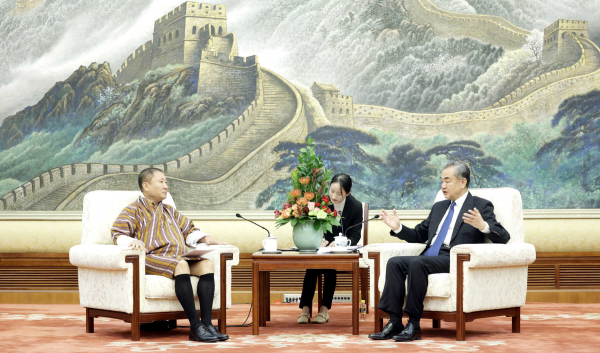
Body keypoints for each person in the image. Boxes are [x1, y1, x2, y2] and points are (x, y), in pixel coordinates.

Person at [368, 161, 510, 341]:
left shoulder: (480, 206)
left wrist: (483, 226)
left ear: (463, 182)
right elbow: (419, 234)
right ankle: (395, 322)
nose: (443, 186)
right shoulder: (439, 207)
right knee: (395, 262)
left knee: (417, 263)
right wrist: (398, 228)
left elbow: (504, 237)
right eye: (441, 181)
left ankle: (414, 324)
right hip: (430, 257)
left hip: (454, 258)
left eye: (447, 181)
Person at [111, 167, 229, 342]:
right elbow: (117, 233)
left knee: (207, 265)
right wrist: (131, 241)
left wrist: (206, 238)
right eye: (161, 182)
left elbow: (189, 230)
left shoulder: (169, 210)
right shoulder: (133, 209)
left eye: (166, 182)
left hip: (177, 256)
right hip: (151, 257)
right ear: (146, 186)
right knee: (181, 265)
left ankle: (207, 324)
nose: (166, 186)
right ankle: (195, 327)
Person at [297, 173, 364, 324]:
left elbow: (356, 235)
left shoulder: (356, 207)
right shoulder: (323, 203)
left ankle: (324, 310)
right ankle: (305, 310)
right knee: (311, 267)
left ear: (348, 192)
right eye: (331, 190)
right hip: (323, 248)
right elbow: (316, 226)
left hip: (341, 251)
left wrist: (342, 242)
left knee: (330, 267)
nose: (333, 196)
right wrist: (319, 239)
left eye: (338, 193)